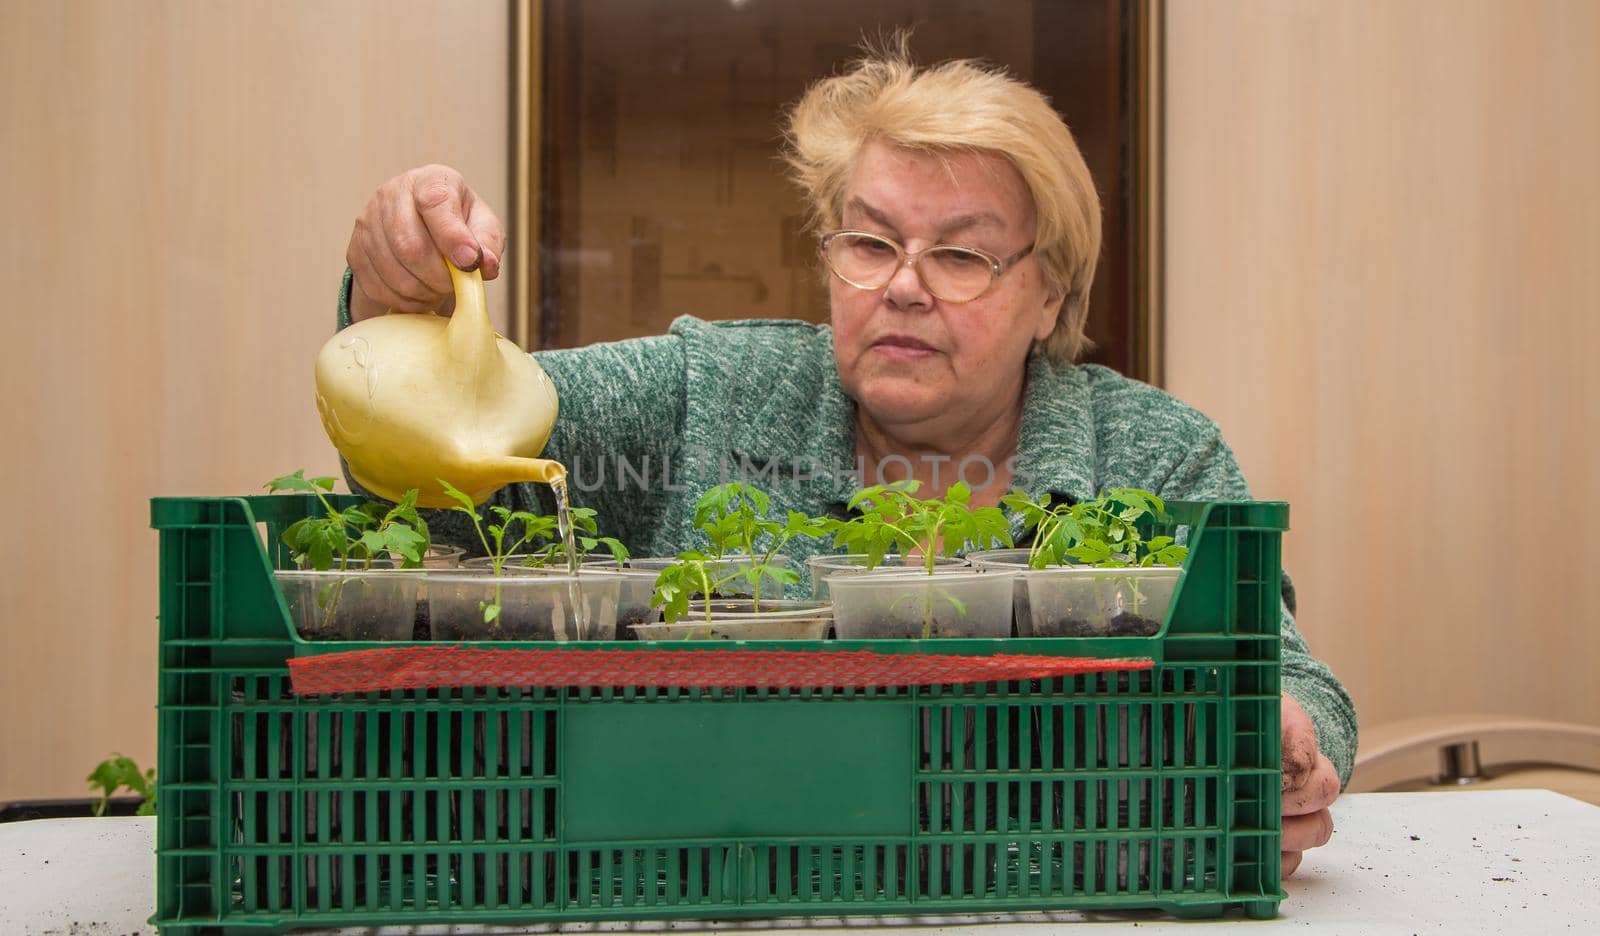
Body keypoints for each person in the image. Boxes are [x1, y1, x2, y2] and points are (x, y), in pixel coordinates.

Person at [340, 48, 1353, 878]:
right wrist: (399, 305)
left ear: (1050, 296)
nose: (902, 287)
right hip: (713, 891)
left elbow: (1297, 677)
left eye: (960, 255)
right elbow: (459, 460)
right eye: (869, 243)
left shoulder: (1157, 455)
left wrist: (1286, 740)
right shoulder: (710, 387)